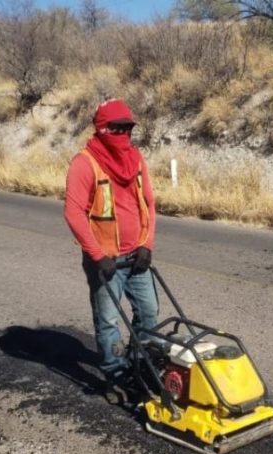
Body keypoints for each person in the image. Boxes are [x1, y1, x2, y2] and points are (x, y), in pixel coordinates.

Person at [64, 99, 157, 390]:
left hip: (137, 255)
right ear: (102, 129)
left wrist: (147, 244)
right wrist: (97, 255)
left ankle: (142, 364)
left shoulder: (136, 159)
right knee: (108, 320)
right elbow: (73, 213)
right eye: (116, 128)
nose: (123, 134)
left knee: (149, 312)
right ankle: (116, 373)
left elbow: (150, 204)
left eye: (127, 128)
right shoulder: (85, 163)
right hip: (106, 261)